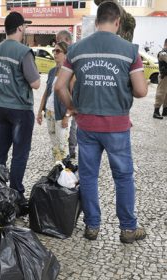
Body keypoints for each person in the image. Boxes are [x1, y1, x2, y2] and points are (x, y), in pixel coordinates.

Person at [55, 1, 148, 243]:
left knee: (88, 176)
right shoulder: (130, 51)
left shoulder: (76, 49)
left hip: (86, 126)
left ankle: (92, 226)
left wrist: (72, 107)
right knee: (124, 176)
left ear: (97, 22)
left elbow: (59, 86)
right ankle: (128, 229)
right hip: (117, 127)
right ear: (117, 22)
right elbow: (140, 91)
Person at [0, 11, 40, 214]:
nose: (24, 29)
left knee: (0, 149)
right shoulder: (23, 52)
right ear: (19, 28)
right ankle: (16, 194)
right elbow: (35, 83)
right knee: (20, 153)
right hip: (20, 109)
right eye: (24, 27)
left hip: (1, 107)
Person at [36, 42, 72, 162]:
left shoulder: (71, 73)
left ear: (66, 55)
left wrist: (67, 116)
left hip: (61, 113)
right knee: (54, 144)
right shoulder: (52, 71)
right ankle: (58, 167)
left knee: (62, 145)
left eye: (58, 51)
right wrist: (40, 111)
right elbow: (47, 92)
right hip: (49, 111)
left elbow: (73, 97)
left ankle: (66, 172)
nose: (55, 54)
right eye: (54, 51)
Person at [55, 30, 77, 159]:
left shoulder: (73, 54)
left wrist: (69, 111)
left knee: (72, 124)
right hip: (62, 98)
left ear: (68, 40)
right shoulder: (64, 54)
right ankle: (64, 150)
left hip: (71, 93)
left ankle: (71, 150)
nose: (57, 43)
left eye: (60, 40)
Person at [152, 38, 167, 119]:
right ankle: (156, 111)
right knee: (161, 93)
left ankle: (165, 110)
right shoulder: (163, 53)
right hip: (164, 76)